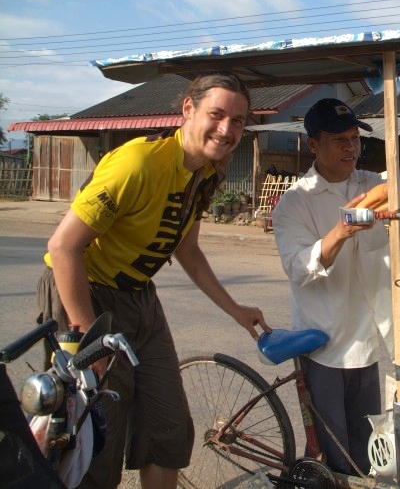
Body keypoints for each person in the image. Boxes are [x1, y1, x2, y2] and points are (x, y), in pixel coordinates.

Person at [36, 72, 270, 489]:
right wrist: (89, 337)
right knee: (95, 434)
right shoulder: (138, 163)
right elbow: (63, 248)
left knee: (169, 427)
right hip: (85, 296)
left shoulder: (206, 172)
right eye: (217, 115)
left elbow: (188, 251)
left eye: (238, 121)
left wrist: (235, 310)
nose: (227, 129)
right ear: (187, 109)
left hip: (140, 297)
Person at [271, 98, 400, 475]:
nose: (351, 148)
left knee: (367, 449)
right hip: (326, 341)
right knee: (335, 456)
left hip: (369, 337)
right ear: (313, 145)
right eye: (339, 140)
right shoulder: (294, 204)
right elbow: (299, 268)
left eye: (354, 139)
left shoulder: (370, 184)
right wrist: (342, 230)